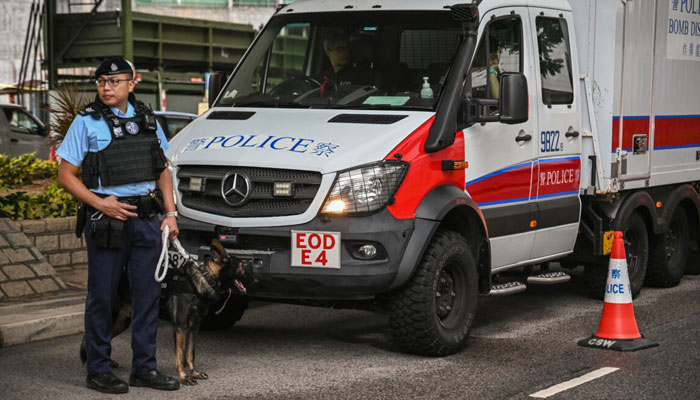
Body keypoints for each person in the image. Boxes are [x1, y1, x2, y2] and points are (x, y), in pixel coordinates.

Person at [57, 57, 180, 394]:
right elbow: (65, 175)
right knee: (103, 297)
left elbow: (162, 170)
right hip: (106, 221)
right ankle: (98, 369)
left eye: (114, 82)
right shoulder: (86, 122)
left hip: (146, 219)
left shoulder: (148, 119)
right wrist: (100, 202)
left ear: (132, 83)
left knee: (147, 296)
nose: (106, 88)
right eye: (101, 82)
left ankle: (145, 369)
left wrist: (171, 214)